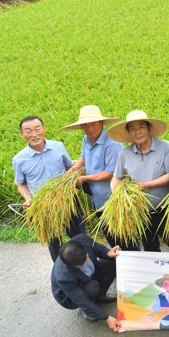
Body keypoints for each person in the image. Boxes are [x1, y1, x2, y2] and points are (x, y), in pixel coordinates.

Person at [12, 115, 80, 261]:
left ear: (44, 129)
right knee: (54, 242)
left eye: (37, 129)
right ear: (22, 134)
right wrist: (28, 199)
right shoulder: (19, 159)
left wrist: (83, 164)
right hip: (43, 206)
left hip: (67, 199)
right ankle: (60, 271)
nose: (34, 134)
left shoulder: (58, 147)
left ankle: (88, 267)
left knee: (79, 236)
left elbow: (69, 167)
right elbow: (21, 184)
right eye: (28, 131)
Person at [108, 110, 169, 252]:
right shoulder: (125, 153)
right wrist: (117, 194)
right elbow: (116, 177)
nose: (137, 132)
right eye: (132, 128)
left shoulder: (164, 147)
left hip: (165, 209)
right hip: (141, 212)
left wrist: (145, 185)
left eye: (141, 127)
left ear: (148, 128)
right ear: (129, 132)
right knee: (150, 248)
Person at [63, 105, 122, 247]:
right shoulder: (87, 139)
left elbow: (111, 173)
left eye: (93, 124)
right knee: (109, 235)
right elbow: (84, 159)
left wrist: (84, 179)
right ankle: (117, 259)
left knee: (121, 237)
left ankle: (128, 259)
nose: (89, 128)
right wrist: (70, 172)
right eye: (85, 125)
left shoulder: (112, 143)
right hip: (97, 198)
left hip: (112, 198)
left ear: (101, 123)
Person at [51, 234, 121, 331]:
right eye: (81, 265)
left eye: (86, 258)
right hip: (69, 297)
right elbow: (81, 299)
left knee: (115, 262)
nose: (86, 263)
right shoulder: (63, 277)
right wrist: (106, 318)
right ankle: (88, 312)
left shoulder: (82, 239)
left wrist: (108, 252)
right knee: (93, 287)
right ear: (70, 266)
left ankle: (100, 296)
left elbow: (97, 248)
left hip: (88, 276)